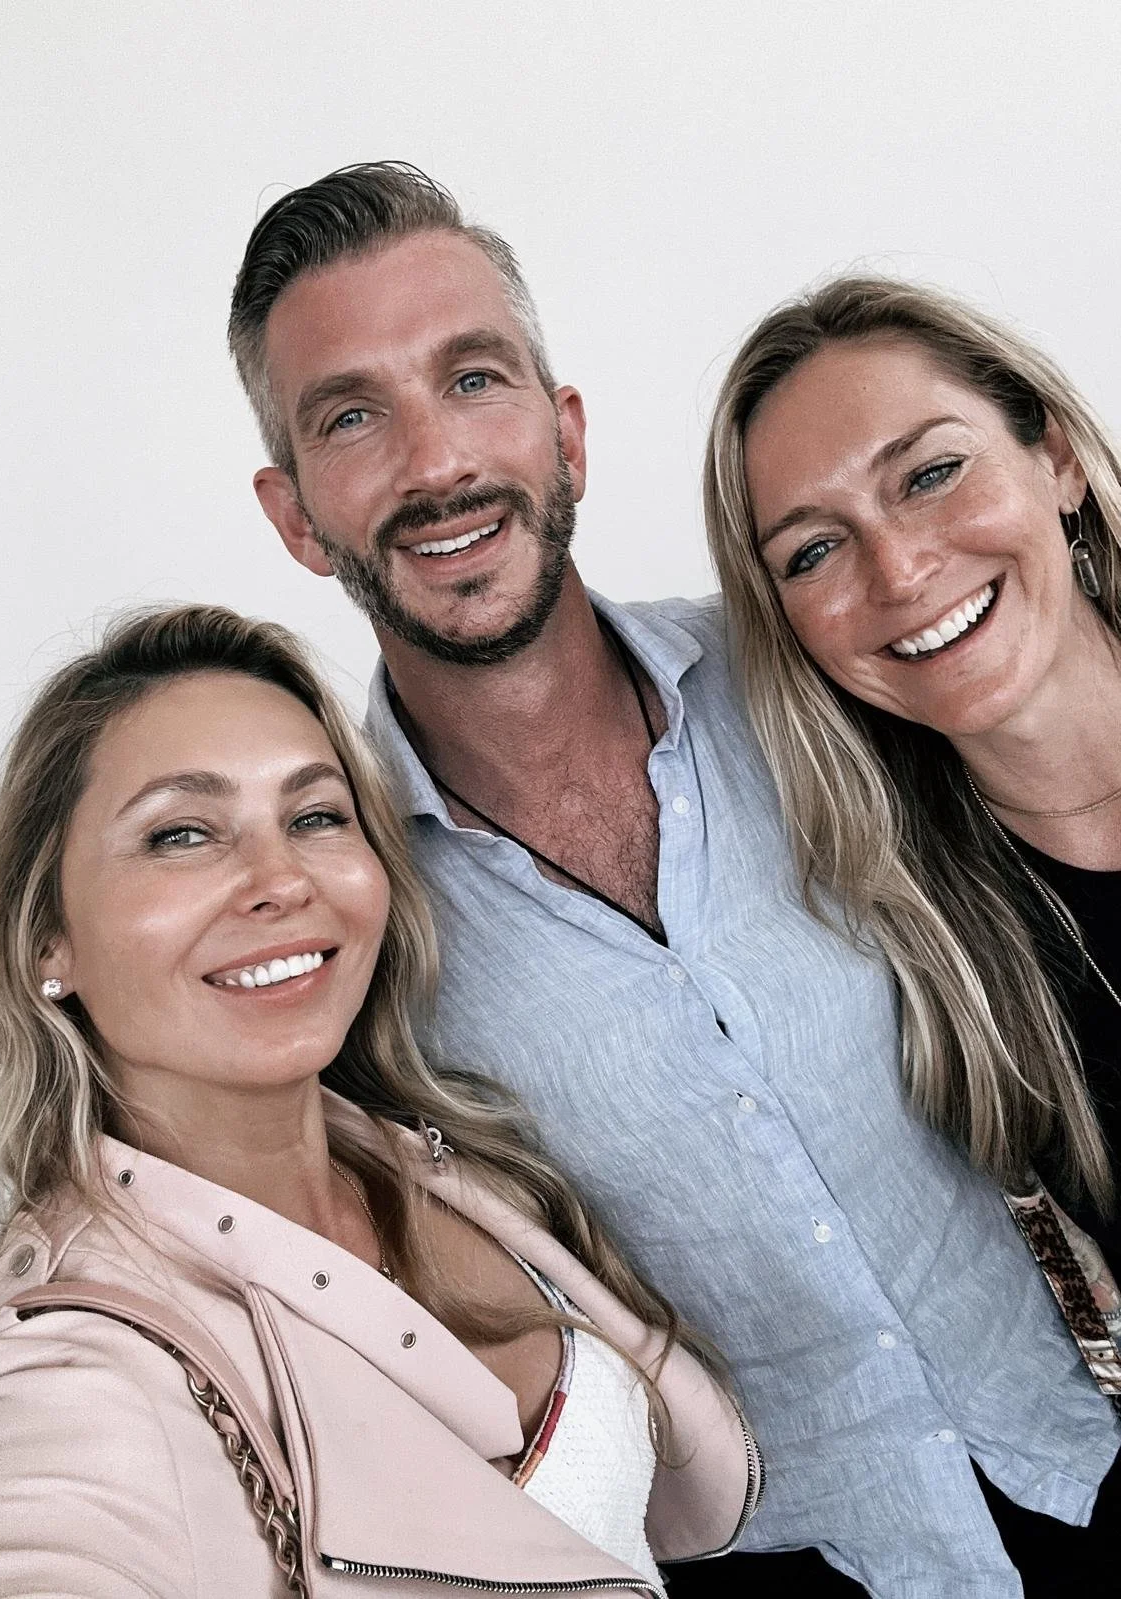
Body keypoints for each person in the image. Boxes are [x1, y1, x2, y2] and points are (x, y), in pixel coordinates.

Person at [229, 163, 1121, 1596]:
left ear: (567, 433)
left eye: (474, 379)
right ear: (293, 514)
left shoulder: (819, 674)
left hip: (1079, 1455)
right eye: (351, 417)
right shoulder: (344, 900)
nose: (436, 460)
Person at [0, 605, 759, 1597]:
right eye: (181, 834)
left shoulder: (438, 1155)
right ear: (45, 941)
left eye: (316, 816)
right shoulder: (71, 1383)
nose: (279, 879)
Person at [703, 273, 1121, 1589]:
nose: (898, 570)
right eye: (813, 552)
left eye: (932, 474)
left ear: (1057, 456)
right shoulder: (922, 947)